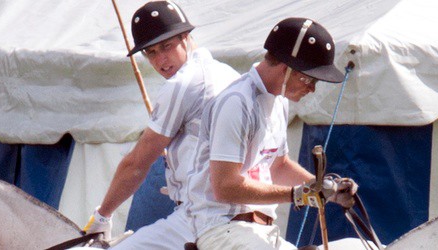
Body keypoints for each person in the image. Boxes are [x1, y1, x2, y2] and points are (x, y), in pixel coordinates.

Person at [184, 17, 358, 249]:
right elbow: (224, 185)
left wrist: (325, 190)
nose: (312, 88)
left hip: (262, 231)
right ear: (288, 69)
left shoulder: (278, 102)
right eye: (311, 79)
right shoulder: (236, 103)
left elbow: (278, 166)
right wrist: (297, 194)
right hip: (223, 228)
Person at [83, 1, 240, 248]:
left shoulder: (182, 83)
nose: (161, 61)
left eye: (167, 46)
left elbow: (136, 164)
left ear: (186, 37)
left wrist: (103, 215)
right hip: (246, 214)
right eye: (151, 52)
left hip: (201, 219)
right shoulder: (230, 75)